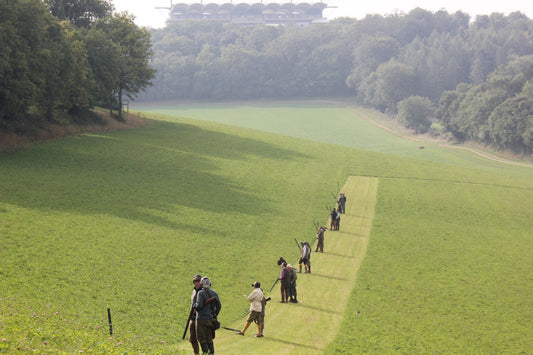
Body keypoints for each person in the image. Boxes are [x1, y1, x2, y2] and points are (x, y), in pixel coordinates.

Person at [194, 277, 221, 355]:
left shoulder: (201, 293)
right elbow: (219, 305)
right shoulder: (214, 293)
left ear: (202, 284)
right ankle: (211, 353)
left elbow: (199, 306)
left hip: (201, 319)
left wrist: (195, 305)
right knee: (209, 338)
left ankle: (206, 353)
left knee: (202, 339)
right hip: (210, 319)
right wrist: (214, 314)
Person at [189, 274, 202, 355]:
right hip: (193, 318)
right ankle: (196, 353)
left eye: (198, 281)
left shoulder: (204, 291)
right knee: (192, 338)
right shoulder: (194, 291)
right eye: (195, 282)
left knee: (202, 338)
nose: (197, 283)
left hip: (201, 318)